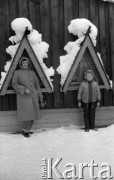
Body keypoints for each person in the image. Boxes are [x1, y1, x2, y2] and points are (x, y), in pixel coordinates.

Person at [12, 56, 43, 137]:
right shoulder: (17, 72)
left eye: (26, 63)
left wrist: (40, 95)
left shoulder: (32, 72)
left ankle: (26, 130)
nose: (25, 64)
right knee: (28, 115)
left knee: (34, 114)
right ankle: (25, 131)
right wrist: (23, 89)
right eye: (23, 63)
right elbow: (14, 84)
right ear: (20, 64)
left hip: (34, 96)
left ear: (28, 63)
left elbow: (37, 85)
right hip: (24, 97)